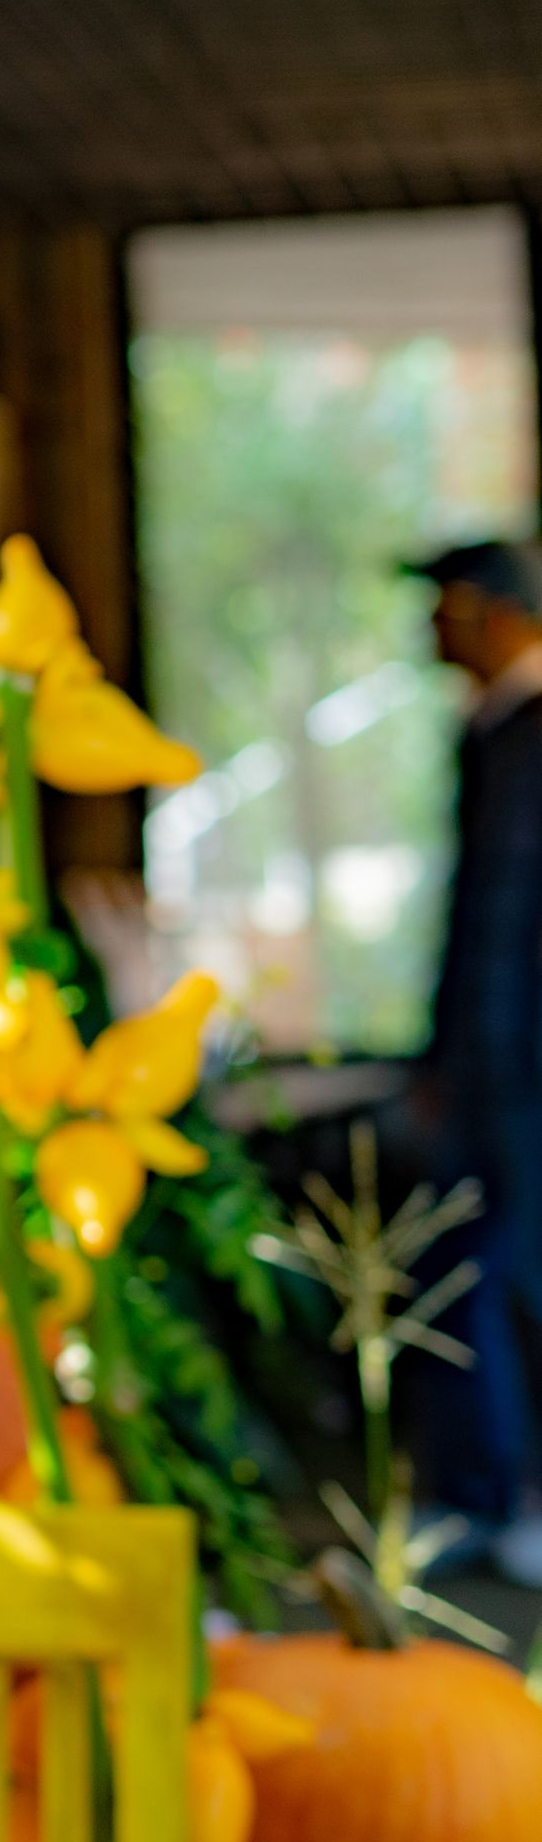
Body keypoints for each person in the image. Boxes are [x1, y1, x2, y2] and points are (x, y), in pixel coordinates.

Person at [413, 538, 542, 1582]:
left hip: (522, 1072)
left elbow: (507, 926)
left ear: (492, 612)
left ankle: (509, 1494)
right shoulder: (492, 729)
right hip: (487, 1071)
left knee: (510, 1275)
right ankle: (483, 1492)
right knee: (468, 1271)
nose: (429, 630)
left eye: (444, 607)